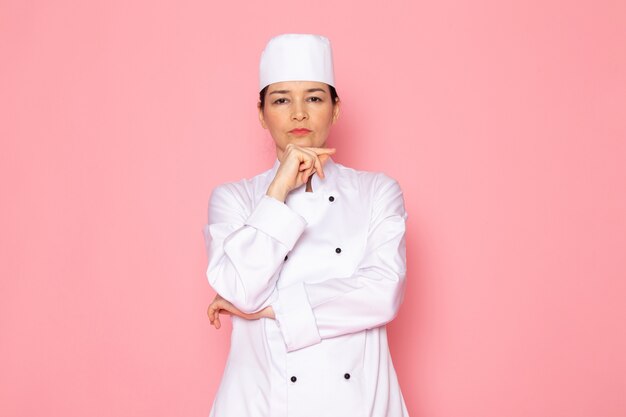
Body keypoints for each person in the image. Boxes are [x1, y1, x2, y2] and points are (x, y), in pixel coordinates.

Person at [202, 33, 410, 417]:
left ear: (335, 109)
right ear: (261, 113)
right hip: (260, 403)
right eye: (281, 99)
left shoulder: (377, 191)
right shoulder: (233, 199)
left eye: (314, 97)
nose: (299, 113)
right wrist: (278, 189)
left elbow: (383, 293)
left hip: (360, 404)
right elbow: (239, 288)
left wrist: (270, 310)